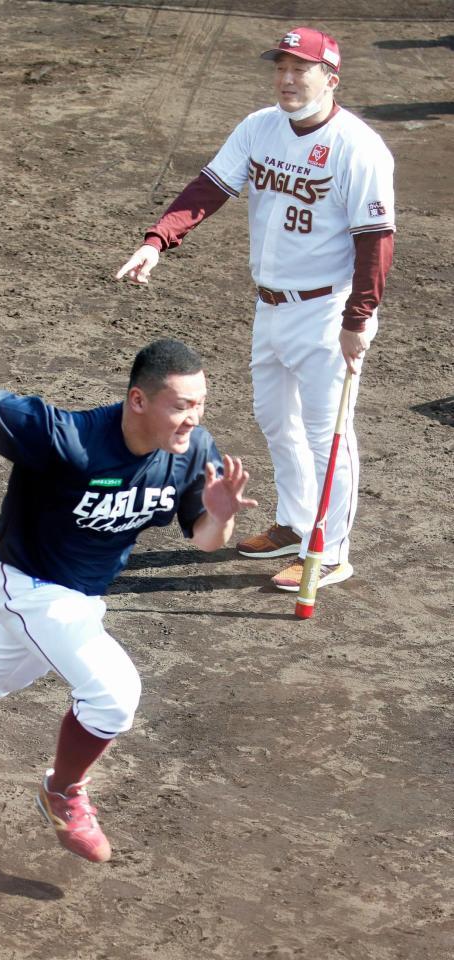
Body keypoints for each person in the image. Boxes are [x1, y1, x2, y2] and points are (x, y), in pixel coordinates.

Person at [0, 338, 257, 864]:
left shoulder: (193, 451)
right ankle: (61, 791)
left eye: (200, 405)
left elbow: (205, 539)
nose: (192, 419)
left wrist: (219, 516)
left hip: (82, 595)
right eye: (180, 406)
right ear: (138, 401)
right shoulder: (70, 438)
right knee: (113, 694)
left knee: (1, 671)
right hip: (26, 581)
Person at [116, 26, 395, 593]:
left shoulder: (358, 148)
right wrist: (156, 240)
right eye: (281, 68)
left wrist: (358, 319)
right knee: (276, 419)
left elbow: (376, 239)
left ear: (330, 77)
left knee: (327, 433)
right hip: (271, 305)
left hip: (327, 311)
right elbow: (209, 188)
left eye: (301, 69)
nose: (288, 80)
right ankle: (296, 524)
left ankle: (331, 548)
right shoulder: (259, 127)